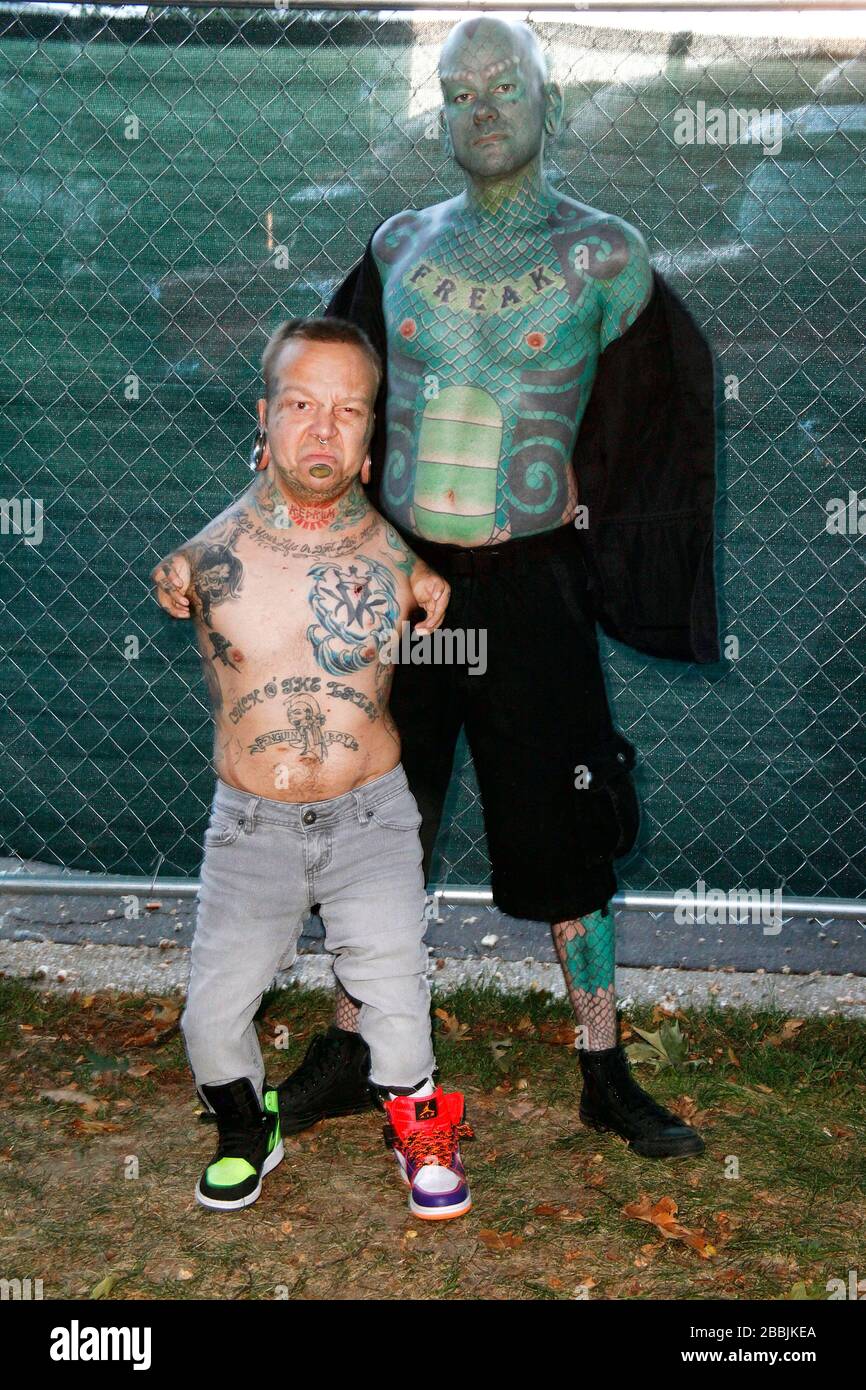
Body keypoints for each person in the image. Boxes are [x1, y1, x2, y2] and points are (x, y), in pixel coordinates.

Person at [279, 17, 721, 1159]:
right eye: (457, 90)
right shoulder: (395, 247)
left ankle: (602, 1065)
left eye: (503, 86)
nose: (481, 107)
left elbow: (652, 420)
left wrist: (606, 549)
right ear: (439, 114)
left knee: (568, 826)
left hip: (529, 596)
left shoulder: (606, 261)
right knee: (376, 819)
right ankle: (345, 1045)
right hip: (410, 591)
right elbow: (334, 404)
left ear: (548, 103)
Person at [151, 317, 474, 1219]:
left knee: (396, 999)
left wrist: (426, 579)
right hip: (252, 826)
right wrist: (170, 577)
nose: (324, 428)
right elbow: (181, 569)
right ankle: (249, 1126)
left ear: (371, 441)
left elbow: (395, 556)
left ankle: (418, 1129)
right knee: (211, 1022)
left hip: (370, 817)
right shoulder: (209, 557)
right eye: (302, 404)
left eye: (349, 411)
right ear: (265, 418)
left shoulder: (389, 548)